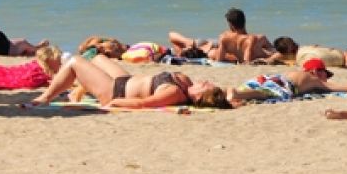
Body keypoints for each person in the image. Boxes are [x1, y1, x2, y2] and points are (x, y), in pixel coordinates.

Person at [29, 48, 231, 110]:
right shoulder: (186, 83)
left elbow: (143, 104)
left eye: (205, 87)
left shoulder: (174, 93)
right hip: (125, 80)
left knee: (75, 62)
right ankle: (78, 87)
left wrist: (113, 103)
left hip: (115, 91)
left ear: (197, 98)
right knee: (98, 57)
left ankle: (45, 98)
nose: (205, 82)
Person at [229, 58, 347, 105]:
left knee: (253, 89)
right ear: (316, 71)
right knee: (265, 94)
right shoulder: (314, 79)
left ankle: (232, 93)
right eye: (325, 73)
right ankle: (237, 94)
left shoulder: (295, 73)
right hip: (282, 85)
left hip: (267, 78)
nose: (326, 78)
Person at [169, 8, 274, 64]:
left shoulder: (225, 37)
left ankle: (183, 50)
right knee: (179, 45)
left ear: (231, 25)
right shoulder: (260, 38)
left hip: (209, 46)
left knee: (175, 40)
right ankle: (183, 51)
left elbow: (219, 59)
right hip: (208, 48)